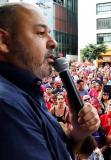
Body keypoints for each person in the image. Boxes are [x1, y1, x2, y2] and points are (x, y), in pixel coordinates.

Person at [0, 3, 100, 159]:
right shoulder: (7, 104)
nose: (54, 42)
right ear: (4, 41)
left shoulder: (26, 93)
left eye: (50, 33)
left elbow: (56, 154)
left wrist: (77, 133)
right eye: (40, 33)